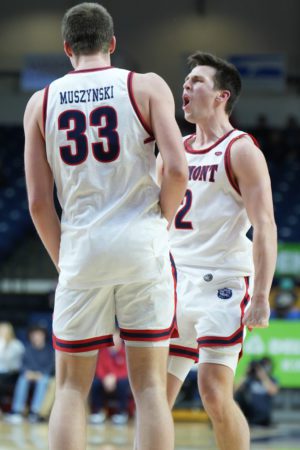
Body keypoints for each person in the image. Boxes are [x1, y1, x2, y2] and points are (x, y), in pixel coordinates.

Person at [24, 3, 188, 450]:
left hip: (80, 249)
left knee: (72, 390)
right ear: (112, 43)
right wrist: (162, 220)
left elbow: (39, 204)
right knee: (151, 389)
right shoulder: (146, 86)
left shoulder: (40, 102)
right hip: (142, 246)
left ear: (66, 49)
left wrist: (67, 264)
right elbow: (177, 169)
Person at [157, 52, 277, 450]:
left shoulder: (241, 150)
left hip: (222, 282)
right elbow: (153, 223)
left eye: (196, 81)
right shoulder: (174, 151)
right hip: (174, 281)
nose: (186, 87)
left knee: (212, 393)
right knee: (154, 398)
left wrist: (260, 295)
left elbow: (265, 226)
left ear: (222, 96)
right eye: (185, 81)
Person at [6, 325, 54, 424]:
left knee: (43, 381)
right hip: (29, 374)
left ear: (44, 336)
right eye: (34, 335)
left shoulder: (50, 350)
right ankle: (17, 411)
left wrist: (40, 374)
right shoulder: (27, 349)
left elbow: (51, 366)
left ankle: (35, 411)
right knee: (22, 379)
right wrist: (28, 373)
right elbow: (22, 365)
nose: (36, 337)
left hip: (42, 375)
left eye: (39, 335)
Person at [89, 333, 131, 425]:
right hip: (105, 380)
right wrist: (105, 378)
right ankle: (97, 412)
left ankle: (121, 413)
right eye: (113, 339)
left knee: (123, 383)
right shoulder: (103, 352)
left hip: (119, 380)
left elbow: (126, 370)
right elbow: (99, 368)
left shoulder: (125, 352)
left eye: (117, 339)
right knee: (95, 383)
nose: (115, 341)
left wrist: (114, 377)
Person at [235, 357, 279, 426]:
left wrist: (263, 376)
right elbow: (235, 390)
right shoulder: (250, 379)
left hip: (265, 417)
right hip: (251, 416)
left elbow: (273, 391)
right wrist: (246, 373)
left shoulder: (271, 379)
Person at [0, 322, 24, 412]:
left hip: (11, 373)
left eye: (4, 331)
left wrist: (3, 344)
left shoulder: (17, 345)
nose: (3, 333)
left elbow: (9, 361)